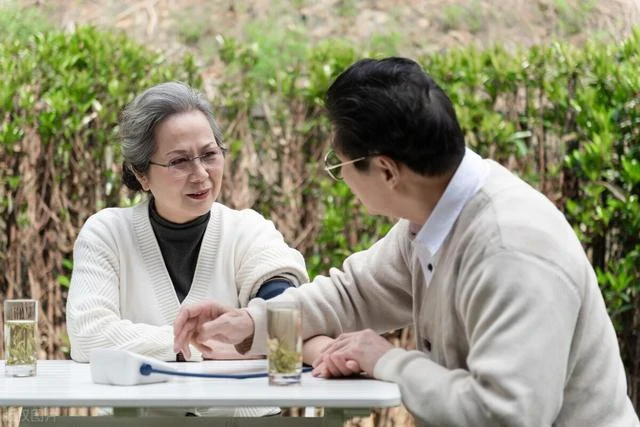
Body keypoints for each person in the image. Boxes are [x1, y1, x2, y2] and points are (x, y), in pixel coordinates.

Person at [172, 58, 639, 426]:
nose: (342, 181)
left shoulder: (509, 248)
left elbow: (506, 415)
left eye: (341, 167)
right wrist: (249, 323)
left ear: (387, 170)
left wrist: (389, 360)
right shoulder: (432, 220)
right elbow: (350, 294)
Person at [66, 81, 308, 417]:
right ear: (142, 174)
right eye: (179, 161)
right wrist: (203, 346)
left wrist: (254, 330)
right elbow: (88, 336)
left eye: (210, 155)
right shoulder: (107, 233)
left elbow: (284, 312)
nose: (201, 175)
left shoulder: (249, 230)